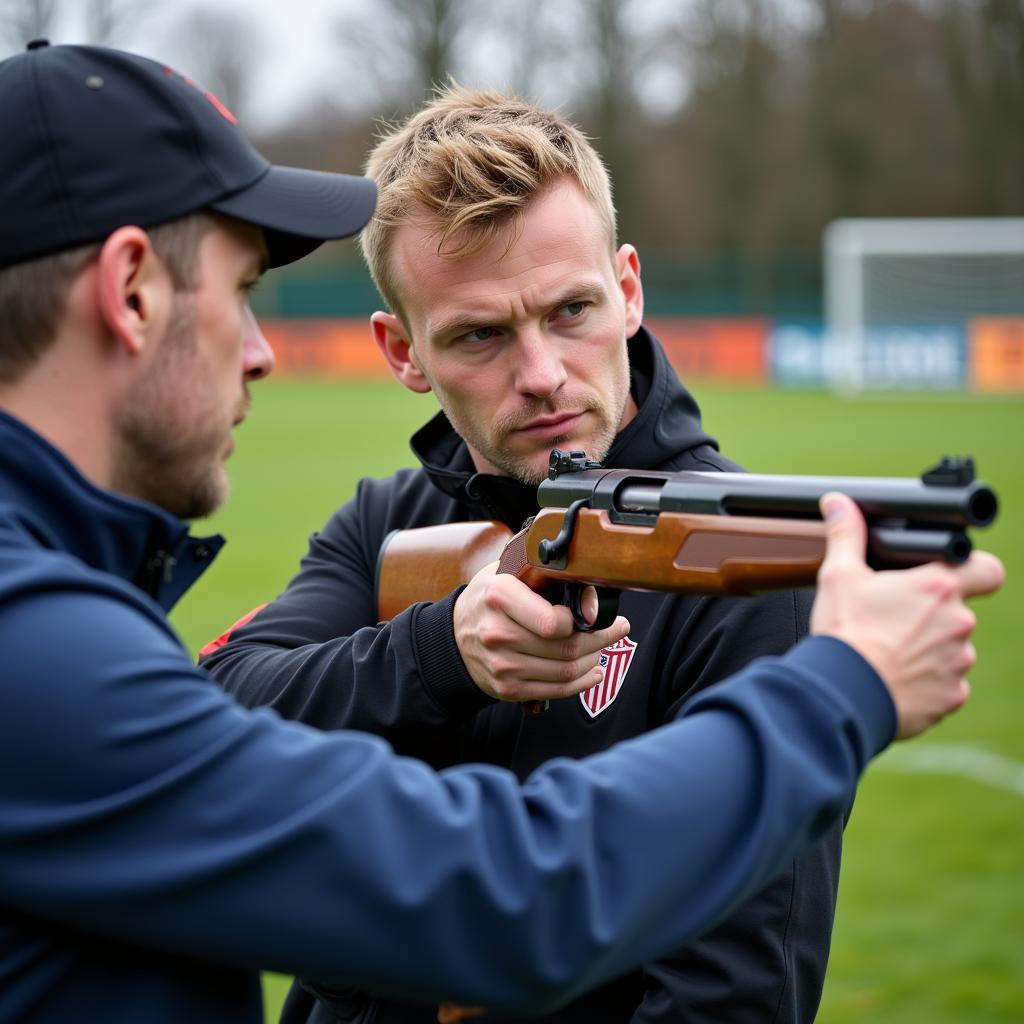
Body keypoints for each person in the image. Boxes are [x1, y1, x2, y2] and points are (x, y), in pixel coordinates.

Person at [0, 43, 1003, 1024]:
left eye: (570, 311)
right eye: (480, 333)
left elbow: (731, 992)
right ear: (403, 351)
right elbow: (503, 887)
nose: (542, 374)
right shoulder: (367, 530)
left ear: (629, 292)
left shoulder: (745, 563)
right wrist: (442, 649)